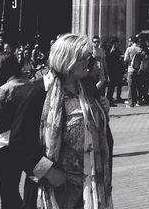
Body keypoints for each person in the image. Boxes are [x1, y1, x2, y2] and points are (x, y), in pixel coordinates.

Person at [16, 33, 114, 209]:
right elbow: (19, 141)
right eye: (82, 58)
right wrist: (48, 171)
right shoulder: (39, 92)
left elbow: (102, 133)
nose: (87, 62)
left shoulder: (89, 87)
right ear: (67, 60)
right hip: (56, 187)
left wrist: (103, 112)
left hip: (90, 187)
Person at [0, 52, 34, 209]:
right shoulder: (31, 85)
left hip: (3, 146)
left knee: (7, 193)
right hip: (25, 144)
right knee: (16, 190)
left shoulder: (4, 90)